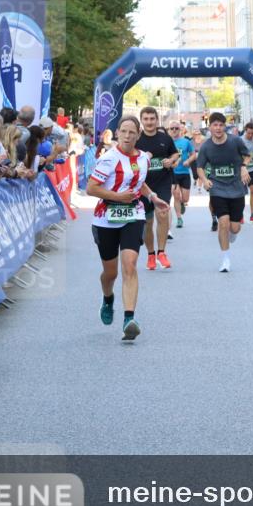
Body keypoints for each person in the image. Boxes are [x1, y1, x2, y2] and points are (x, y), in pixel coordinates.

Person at [87, 115, 169, 342]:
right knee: (110, 273)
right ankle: (108, 297)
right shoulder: (108, 159)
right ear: (117, 133)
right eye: (123, 131)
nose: (127, 136)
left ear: (138, 136)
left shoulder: (143, 158)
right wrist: (117, 197)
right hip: (106, 218)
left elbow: (138, 181)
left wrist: (153, 196)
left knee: (130, 265)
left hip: (134, 214)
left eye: (132, 132)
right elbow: (91, 189)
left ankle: (129, 319)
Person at [198, 112, 252, 272]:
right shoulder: (206, 146)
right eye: (215, 125)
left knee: (234, 228)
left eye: (221, 125)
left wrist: (243, 166)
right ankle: (225, 260)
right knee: (223, 223)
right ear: (210, 127)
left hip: (236, 188)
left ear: (225, 126)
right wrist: (205, 180)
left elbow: (247, 155)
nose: (218, 128)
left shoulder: (235, 141)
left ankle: (232, 233)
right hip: (218, 189)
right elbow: (200, 166)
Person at [135, 107, 179, 270]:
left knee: (162, 214)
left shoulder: (165, 138)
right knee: (147, 222)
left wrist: (170, 160)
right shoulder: (137, 139)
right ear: (142, 120)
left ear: (157, 120)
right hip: (143, 185)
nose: (149, 122)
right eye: (146, 119)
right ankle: (151, 255)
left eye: (152, 119)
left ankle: (162, 252)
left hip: (163, 182)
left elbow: (175, 154)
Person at [168, 122, 196, 229]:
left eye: (176, 128)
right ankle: (179, 218)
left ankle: (183, 203)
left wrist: (188, 161)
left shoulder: (186, 142)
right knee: (176, 196)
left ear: (180, 129)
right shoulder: (167, 142)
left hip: (184, 173)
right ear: (169, 129)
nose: (174, 130)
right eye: (172, 128)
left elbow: (194, 154)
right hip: (173, 173)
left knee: (185, 198)